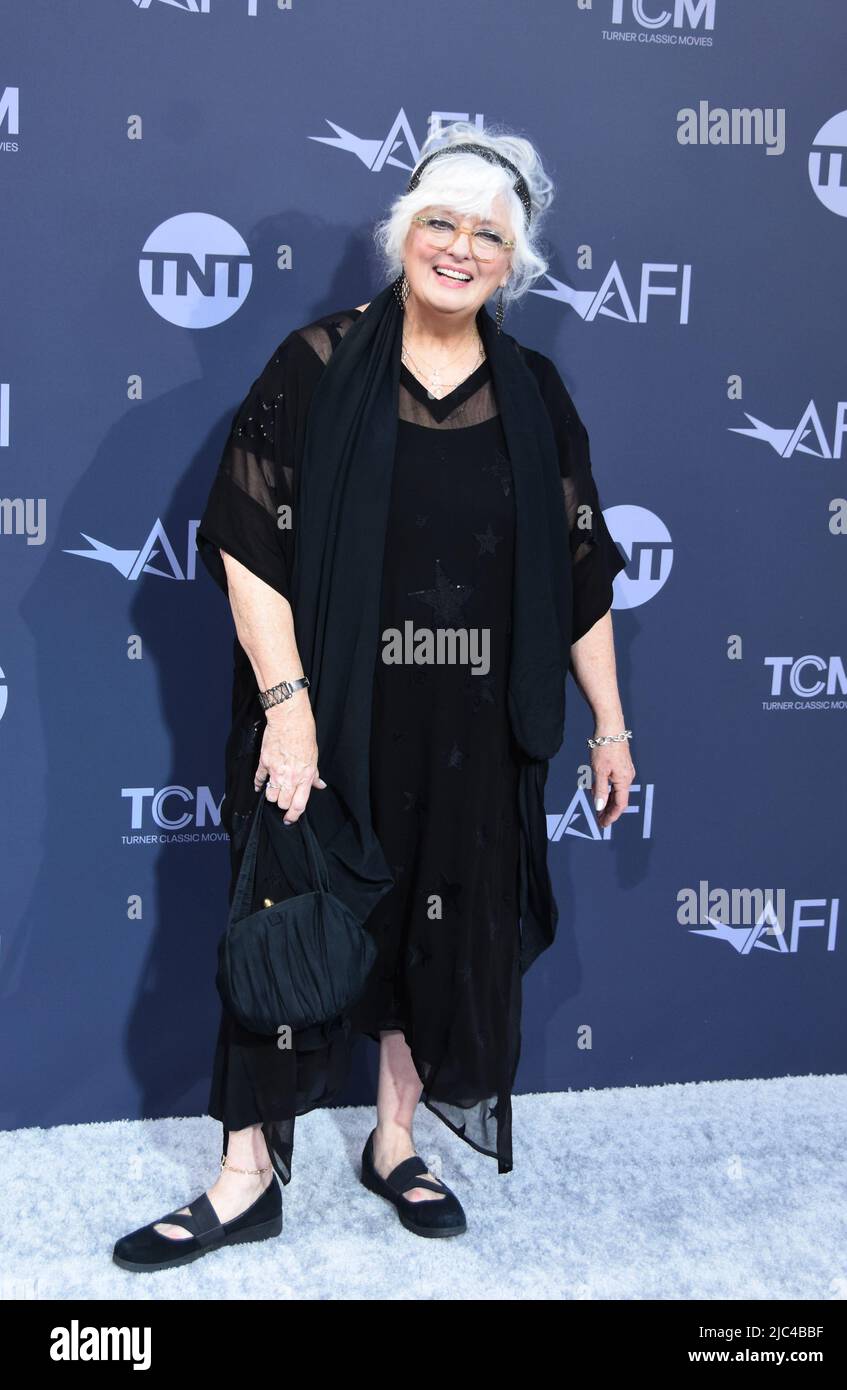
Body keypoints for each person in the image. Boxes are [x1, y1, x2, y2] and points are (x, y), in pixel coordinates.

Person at [112, 120, 634, 1271]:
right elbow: (247, 544)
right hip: (328, 712)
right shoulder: (314, 365)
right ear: (404, 232)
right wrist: (288, 705)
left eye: (487, 233)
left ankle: (395, 1139)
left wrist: (610, 722)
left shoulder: (536, 393)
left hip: (474, 729)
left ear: (516, 260)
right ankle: (245, 1176)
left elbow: (582, 573)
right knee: (284, 930)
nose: (460, 247)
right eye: (440, 222)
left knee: (439, 928)